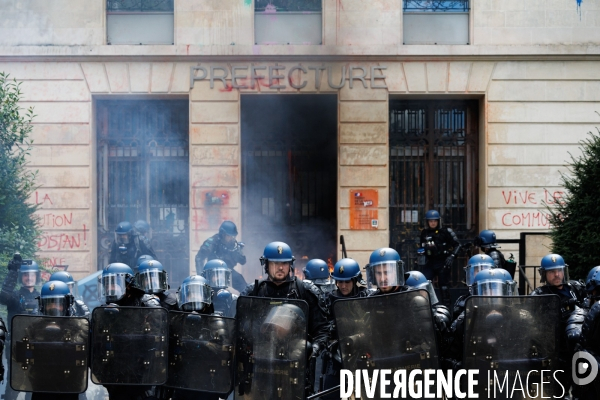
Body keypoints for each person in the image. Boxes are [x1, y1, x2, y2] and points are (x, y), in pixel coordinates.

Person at [240, 241, 329, 394]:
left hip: (297, 367)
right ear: (266, 264)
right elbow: (240, 328)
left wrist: (312, 349)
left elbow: (322, 329)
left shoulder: (306, 291)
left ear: (290, 265)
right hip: (262, 366)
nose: (280, 267)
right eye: (275, 263)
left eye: (284, 263)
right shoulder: (252, 293)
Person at [96, 263, 161, 400]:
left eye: (114, 284)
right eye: (107, 284)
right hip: (117, 379)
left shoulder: (147, 305)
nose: (110, 288)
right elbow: (96, 345)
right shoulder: (103, 311)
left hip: (144, 380)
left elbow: (159, 344)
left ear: (128, 285)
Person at [160, 275, 230, 400]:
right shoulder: (176, 320)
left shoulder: (215, 321)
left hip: (207, 384)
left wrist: (199, 345)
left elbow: (223, 352)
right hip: (180, 383)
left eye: (197, 294)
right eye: (189, 295)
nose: (193, 299)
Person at [18, 280, 87, 400]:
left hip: (69, 388)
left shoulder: (79, 326)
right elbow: (18, 355)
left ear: (67, 304)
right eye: (49, 303)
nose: (53, 307)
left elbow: (87, 355)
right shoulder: (34, 327)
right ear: (42, 305)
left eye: (58, 303)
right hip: (41, 387)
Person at [530, 254, 586, 398]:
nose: (556, 274)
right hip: (557, 351)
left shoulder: (576, 288)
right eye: (551, 272)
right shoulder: (539, 295)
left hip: (579, 348)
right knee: (558, 392)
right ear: (544, 274)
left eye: (559, 270)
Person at [0, 253, 39, 400]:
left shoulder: (41, 297)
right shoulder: (15, 296)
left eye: (32, 275)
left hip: (36, 346)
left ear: (36, 276)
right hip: (16, 345)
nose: (29, 278)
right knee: (13, 384)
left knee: (33, 384)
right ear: (21, 277)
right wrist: (13, 271)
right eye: (25, 275)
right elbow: (3, 296)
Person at [194, 221, 247, 293]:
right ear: (222, 234)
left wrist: (238, 251)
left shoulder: (233, 245)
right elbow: (199, 257)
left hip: (228, 271)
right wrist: (201, 276)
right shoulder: (212, 242)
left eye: (232, 236)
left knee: (243, 285)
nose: (231, 238)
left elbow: (243, 261)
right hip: (212, 272)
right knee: (212, 293)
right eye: (229, 236)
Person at [419, 210, 462, 288]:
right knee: (423, 283)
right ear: (427, 222)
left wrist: (452, 256)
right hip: (430, 262)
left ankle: (446, 300)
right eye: (431, 221)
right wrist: (420, 256)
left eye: (435, 221)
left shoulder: (446, 231)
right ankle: (427, 300)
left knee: (444, 286)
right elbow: (421, 247)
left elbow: (458, 245)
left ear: (438, 221)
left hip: (443, 262)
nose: (433, 223)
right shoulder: (424, 233)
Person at [452, 254, 495, 318]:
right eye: (478, 271)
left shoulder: (499, 295)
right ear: (471, 273)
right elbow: (455, 325)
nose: (481, 273)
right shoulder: (463, 300)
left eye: (484, 270)